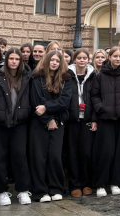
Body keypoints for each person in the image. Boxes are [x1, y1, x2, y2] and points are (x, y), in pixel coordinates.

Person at [0, 48, 33, 206]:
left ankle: (23, 190)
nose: (14, 61)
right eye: (11, 58)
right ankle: (2, 191)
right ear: (6, 60)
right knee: (0, 157)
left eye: (17, 59)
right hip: (0, 122)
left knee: (20, 155)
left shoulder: (27, 75)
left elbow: (31, 97)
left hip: (19, 122)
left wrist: (26, 113)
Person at [29, 50, 72, 202]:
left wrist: (47, 107)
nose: (54, 63)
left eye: (57, 61)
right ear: (47, 61)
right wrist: (48, 119)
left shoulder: (66, 79)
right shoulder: (36, 78)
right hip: (39, 122)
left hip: (59, 122)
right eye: (52, 60)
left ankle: (56, 188)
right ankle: (40, 191)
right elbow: (36, 101)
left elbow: (64, 101)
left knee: (55, 156)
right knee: (39, 157)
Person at [91, 47, 120, 197]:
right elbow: (94, 95)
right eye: (115, 56)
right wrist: (101, 108)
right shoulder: (100, 76)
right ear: (109, 57)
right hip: (105, 119)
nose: (118, 59)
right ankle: (100, 184)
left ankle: (115, 182)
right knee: (105, 152)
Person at [65, 49, 95, 198]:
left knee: (86, 152)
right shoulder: (67, 75)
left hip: (87, 119)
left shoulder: (93, 76)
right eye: (79, 58)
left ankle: (86, 183)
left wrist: (94, 119)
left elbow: (96, 98)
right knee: (72, 153)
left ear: (88, 60)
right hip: (72, 120)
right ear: (74, 59)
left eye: (85, 58)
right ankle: (74, 184)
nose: (82, 60)